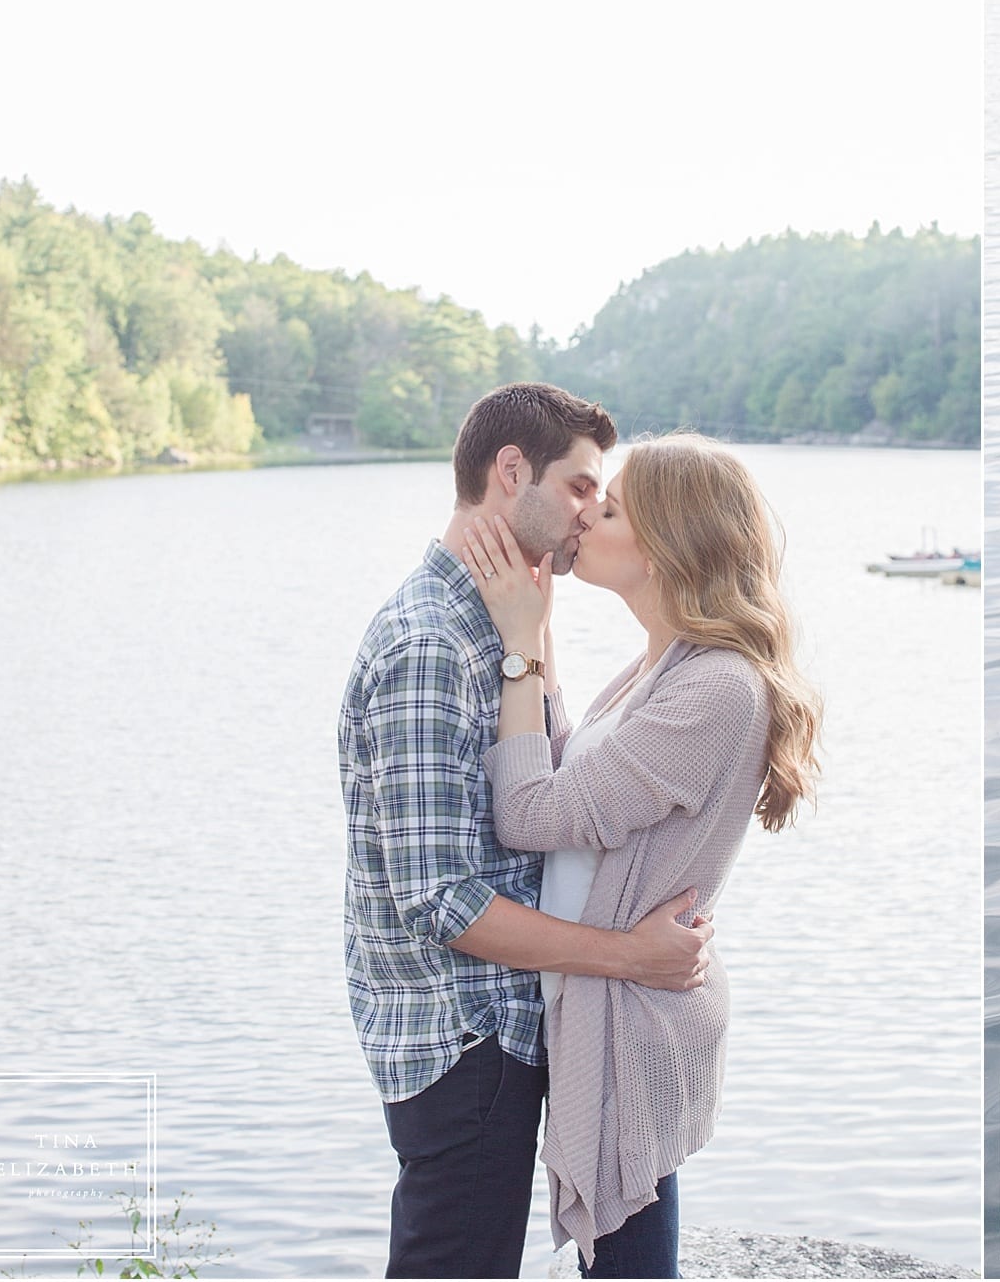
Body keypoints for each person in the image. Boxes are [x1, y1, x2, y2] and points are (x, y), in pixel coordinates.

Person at [337, 382, 717, 1280]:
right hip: (465, 1036)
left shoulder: (499, 624)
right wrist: (628, 954)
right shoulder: (432, 643)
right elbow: (440, 899)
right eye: (583, 486)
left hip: (510, 1022)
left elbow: (550, 791)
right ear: (512, 474)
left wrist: (534, 639)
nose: (593, 511)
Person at [457, 429, 823, 1279]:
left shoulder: (717, 688)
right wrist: (538, 629)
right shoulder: (665, 664)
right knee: (625, 1250)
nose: (586, 516)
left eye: (610, 507)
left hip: (636, 1016)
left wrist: (516, 645)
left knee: (630, 1260)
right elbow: (570, 767)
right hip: (620, 997)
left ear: (664, 544)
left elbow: (528, 811)